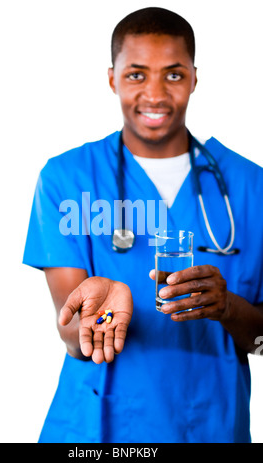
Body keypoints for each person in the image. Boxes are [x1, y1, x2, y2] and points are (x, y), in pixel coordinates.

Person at [23, 7, 263, 443]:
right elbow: (74, 335)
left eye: (172, 75)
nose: (154, 93)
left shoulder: (252, 186)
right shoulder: (67, 178)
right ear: (112, 78)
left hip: (212, 425)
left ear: (193, 78)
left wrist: (227, 306)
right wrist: (101, 313)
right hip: (97, 432)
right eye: (136, 74)